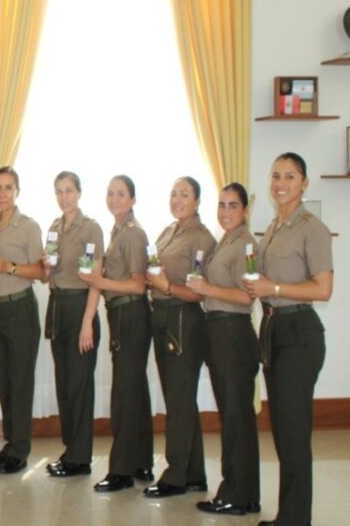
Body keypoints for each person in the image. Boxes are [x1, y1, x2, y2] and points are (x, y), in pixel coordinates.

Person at [242, 153, 333, 526]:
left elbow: (323, 289)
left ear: (304, 183)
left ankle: (296, 520)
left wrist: (274, 287)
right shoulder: (275, 226)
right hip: (273, 327)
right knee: (282, 427)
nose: (281, 183)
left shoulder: (312, 228)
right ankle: (290, 516)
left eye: (290, 177)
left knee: (294, 431)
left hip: (299, 332)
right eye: (276, 175)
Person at [186, 182, 261, 516]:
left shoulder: (246, 245)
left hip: (233, 332)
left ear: (244, 210)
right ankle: (244, 492)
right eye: (222, 205)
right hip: (217, 329)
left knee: (236, 417)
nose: (225, 211)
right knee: (233, 416)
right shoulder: (224, 242)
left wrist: (208, 288)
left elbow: (247, 296)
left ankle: (236, 493)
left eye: (232, 205)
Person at [142, 176, 215, 498]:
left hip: (183, 318)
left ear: (197, 201)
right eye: (173, 193)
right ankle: (194, 473)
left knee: (179, 400)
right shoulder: (169, 231)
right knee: (178, 398)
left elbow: (199, 293)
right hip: (162, 315)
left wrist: (166, 287)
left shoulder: (201, 238)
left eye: (184, 194)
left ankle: (175, 476)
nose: (177, 199)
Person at [83, 175, 155, 493]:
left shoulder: (133, 233)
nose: (114, 199)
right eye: (110, 193)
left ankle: (122, 470)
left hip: (131, 314)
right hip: (122, 314)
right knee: (135, 389)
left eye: (121, 194)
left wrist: (99, 282)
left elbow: (139, 284)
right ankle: (141, 461)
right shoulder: (117, 231)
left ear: (133, 199)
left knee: (124, 393)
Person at [0, 167, 44, 475]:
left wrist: (11, 267)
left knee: (20, 382)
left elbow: (41, 271)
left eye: (8, 188)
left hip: (20, 310)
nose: (2, 193)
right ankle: (10, 443)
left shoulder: (27, 227)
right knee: (4, 381)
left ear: (17, 191)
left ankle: (20, 450)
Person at [43, 171, 103, 479]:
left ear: (79, 192)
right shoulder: (54, 228)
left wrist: (87, 322)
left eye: (69, 190)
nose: (64, 197)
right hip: (58, 306)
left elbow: (95, 279)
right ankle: (71, 451)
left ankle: (80, 458)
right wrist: (46, 266)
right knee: (65, 385)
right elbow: (46, 276)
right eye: (59, 191)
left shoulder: (90, 228)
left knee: (80, 386)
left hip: (81, 308)